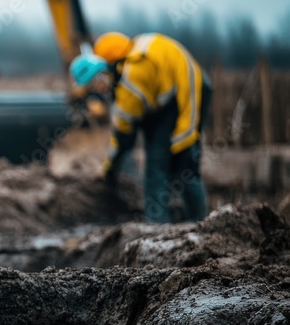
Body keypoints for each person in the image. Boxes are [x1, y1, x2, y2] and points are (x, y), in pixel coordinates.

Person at [70, 31, 211, 223]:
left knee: (179, 163)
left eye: (97, 84)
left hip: (183, 95)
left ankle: (170, 224)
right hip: (168, 99)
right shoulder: (135, 60)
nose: (100, 90)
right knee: (169, 166)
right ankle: (189, 222)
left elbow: (124, 135)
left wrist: (110, 167)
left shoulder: (131, 82)